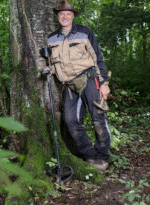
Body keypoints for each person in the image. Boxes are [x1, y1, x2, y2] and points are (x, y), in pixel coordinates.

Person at [44, 0, 111, 171]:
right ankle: (89, 156)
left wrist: (104, 83)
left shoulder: (84, 33)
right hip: (69, 85)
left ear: (73, 15)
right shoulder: (52, 39)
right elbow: (55, 62)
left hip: (89, 80)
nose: (65, 16)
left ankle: (103, 158)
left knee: (98, 119)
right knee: (70, 120)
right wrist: (50, 69)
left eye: (68, 13)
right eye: (62, 14)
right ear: (58, 16)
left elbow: (98, 58)